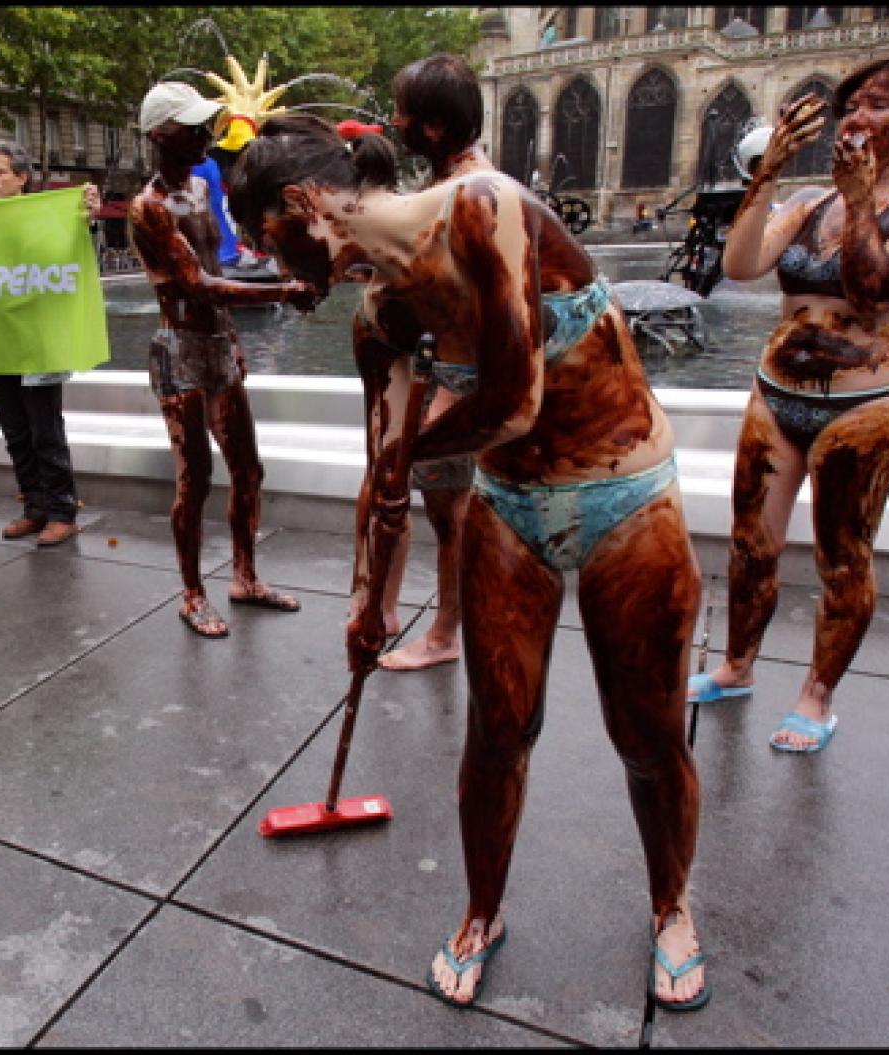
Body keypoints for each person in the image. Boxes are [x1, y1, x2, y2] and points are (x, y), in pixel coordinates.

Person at [229, 104, 707, 1012]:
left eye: (269, 240)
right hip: (510, 508)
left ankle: (671, 905)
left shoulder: (484, 208)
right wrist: (366, 601)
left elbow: (514, 400)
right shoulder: (381, 320)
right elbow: (384, 469)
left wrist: (407, 458)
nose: (274, 265)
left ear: (305, 205)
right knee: (497, 732)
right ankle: (481, 911)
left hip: (625, 495)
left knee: (644, 737)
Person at [697, 51, 889, 753]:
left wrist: (863, 198)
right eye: (855, 103)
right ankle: (738, 665)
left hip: (859, 412)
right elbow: (741, 265)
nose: (858, 118)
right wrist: (768, 173)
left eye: (881, 104)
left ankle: (816, 695)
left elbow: (874, 290)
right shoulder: (809, 204)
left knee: (843, 560)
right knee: (749, 546)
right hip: (777, 396)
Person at [128, 81, 318, 638]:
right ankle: (192, 593)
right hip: (180, 351)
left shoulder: (199, 193)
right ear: (161, 135)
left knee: (248, 469)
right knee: (195, 480)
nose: (205, 134)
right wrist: (282, 294)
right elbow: (197, 284)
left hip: (217, 347)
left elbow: (222, 268)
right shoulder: (149, 208)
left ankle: (245, 578)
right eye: (193, 126)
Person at [362, 57, 487, 672]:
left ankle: (443, 635)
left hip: (461, 382)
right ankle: (423, 622)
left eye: (403, 112)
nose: (394, 121)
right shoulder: (463, 187)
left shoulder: (458, 196)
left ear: (433, 126)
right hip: (449, 376)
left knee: (449, 514)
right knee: (443, 510)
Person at [0, 139, 96, 547]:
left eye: (0, 172)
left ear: (22, 178)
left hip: (40, 338)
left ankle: (63, 511)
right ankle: (35, 507)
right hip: (1, 339)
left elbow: (75, 236)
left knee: (45, 429)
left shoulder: (47, 216)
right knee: (15, 430)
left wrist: (89, 212)